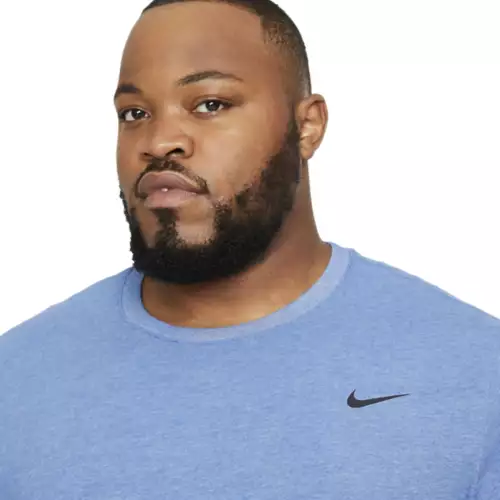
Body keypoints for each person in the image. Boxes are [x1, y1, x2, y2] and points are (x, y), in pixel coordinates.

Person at [1, 0, 499, 498]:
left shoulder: (477, 372)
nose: (159, 140)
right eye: (135, 113)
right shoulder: (16, 381)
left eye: (210, 104)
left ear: (307, 127)